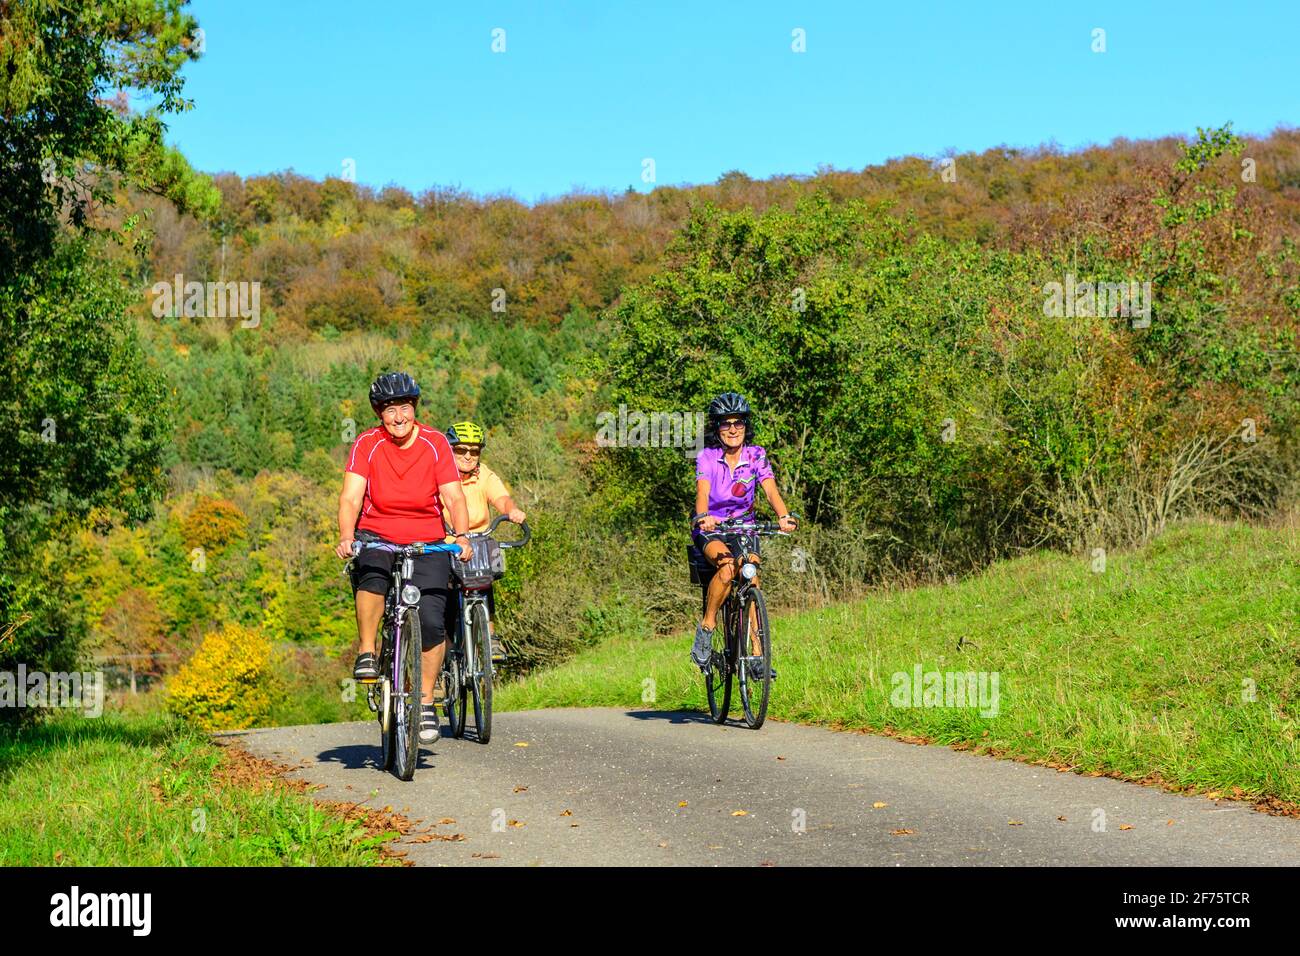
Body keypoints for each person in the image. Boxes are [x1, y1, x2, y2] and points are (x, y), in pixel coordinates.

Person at [335, 372, 474, 745]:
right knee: (372, 577)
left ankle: (426, 700)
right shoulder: (367, 443)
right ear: (379, 413)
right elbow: (350, 498)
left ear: (415, 407)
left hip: (427, 538)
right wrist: (347, 537)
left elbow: (454, 497)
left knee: (431, 621)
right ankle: (368, 650)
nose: (398, 417)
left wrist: (460, 535)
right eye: (390, 410)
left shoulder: (434, 444)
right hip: (377, 533)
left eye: (405, 408)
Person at [689, 392, 797, 675]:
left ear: (746, 426)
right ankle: (708, 626)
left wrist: (783, 516)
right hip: (711, 527)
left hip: (743, 526)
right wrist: (703, 517)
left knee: (750, 574)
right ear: (717, 428)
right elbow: (702, 492)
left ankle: (759, 656)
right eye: (726, 424)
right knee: (726, 567)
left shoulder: (756, 455)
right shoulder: (708, 457)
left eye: (738, 423)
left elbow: (770, 489)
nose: (733, 429)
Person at [444, 420, 526, 663]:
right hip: (446, 542)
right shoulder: (440, 476)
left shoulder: (484, 475)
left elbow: (501, 498)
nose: (468, 456)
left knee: (485, 576)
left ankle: (491, 638)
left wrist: (512, 511)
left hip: (478, 539)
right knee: (442, 599)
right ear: (450, 449)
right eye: (461, 450)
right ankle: (441, 664)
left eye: (474, 451)